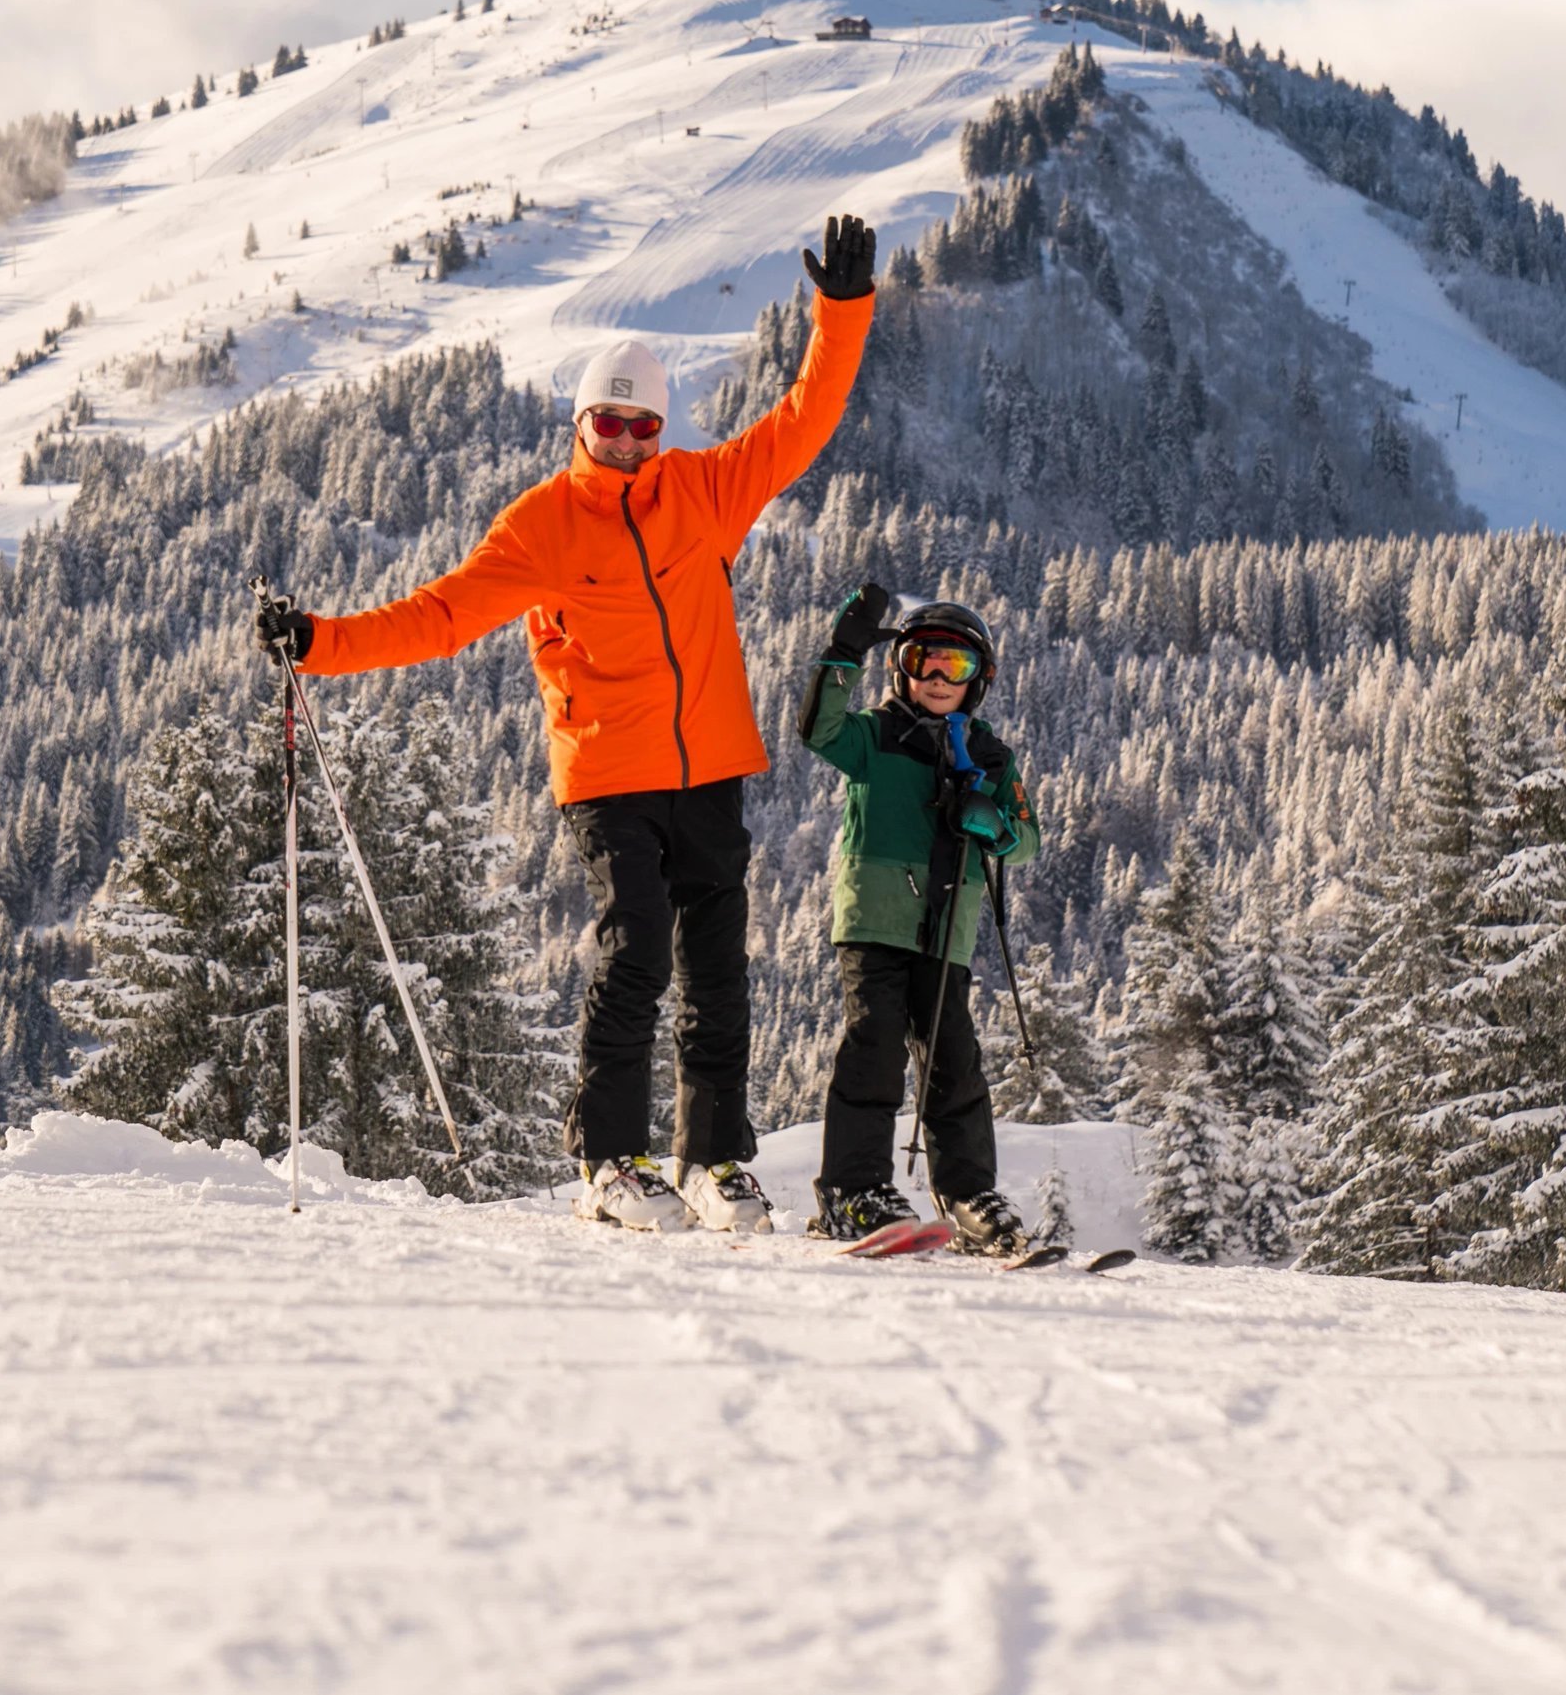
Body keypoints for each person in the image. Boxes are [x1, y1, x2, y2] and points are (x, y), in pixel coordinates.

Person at [256, 214, 877, 1233]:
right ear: (580, 422)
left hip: (711, 764)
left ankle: (712, 1161)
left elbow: (805, 416)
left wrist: (841, 311)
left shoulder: (708, 491)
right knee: (636, 948)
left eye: (642, 425)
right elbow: (442, 613)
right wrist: (319, 641)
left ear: (661, 428)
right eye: (608, 421)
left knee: (716, 967)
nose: (626, 440)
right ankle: (607, 1159)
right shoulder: (544, 522)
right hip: (608, 773)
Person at [798, 582, 1040, 1252]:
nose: (936, 677)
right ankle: (853, 1188)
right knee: (874, 1045)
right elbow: (817, 728)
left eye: (955, 666)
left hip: (947, 931)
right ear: (899, 668)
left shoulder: (989, 756)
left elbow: (1027, 838)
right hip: (874, 920)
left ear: (978, 680)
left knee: (953, 1061)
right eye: (922, 660)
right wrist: (842, 654)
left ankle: (967, 1193)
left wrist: (992, 820)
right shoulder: (875, 735)